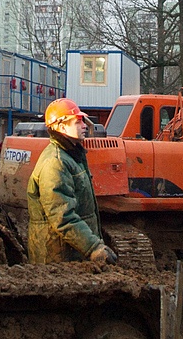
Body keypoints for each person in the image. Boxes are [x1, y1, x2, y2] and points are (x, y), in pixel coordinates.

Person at [26, 97, 118, 266]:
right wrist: (93, 247)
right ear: (61, 127)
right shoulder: (56, 163)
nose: (84, 126)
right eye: (77, 122)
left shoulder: (72, 156)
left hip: (70, 252)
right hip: (57, 256)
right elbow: (62, 216)